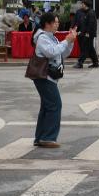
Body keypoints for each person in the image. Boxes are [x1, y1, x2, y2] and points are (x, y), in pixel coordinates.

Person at [30, 13, 77, 148]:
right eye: (55, 22)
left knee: (47, 107)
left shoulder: (52, 37)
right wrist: (66, 41)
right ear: (47, 24)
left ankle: (40, 137)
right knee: (55, 105)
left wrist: (70, 42)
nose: (58, 24)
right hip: (44, 77)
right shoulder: (42, 38)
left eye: (58, 22)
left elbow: (62, 54)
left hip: (49, 77)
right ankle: (48, 137)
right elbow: (51, 52)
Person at [73, 0, 99, 69]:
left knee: (85, 48)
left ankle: (80, 63)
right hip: (84, 33)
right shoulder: (83, 12)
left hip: (89, 34)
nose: (81, 5)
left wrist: (87, 33)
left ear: (85, 5)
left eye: (83, 4)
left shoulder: (91, 13)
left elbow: (91, 24)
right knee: (90, 48)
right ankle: (95, 62)